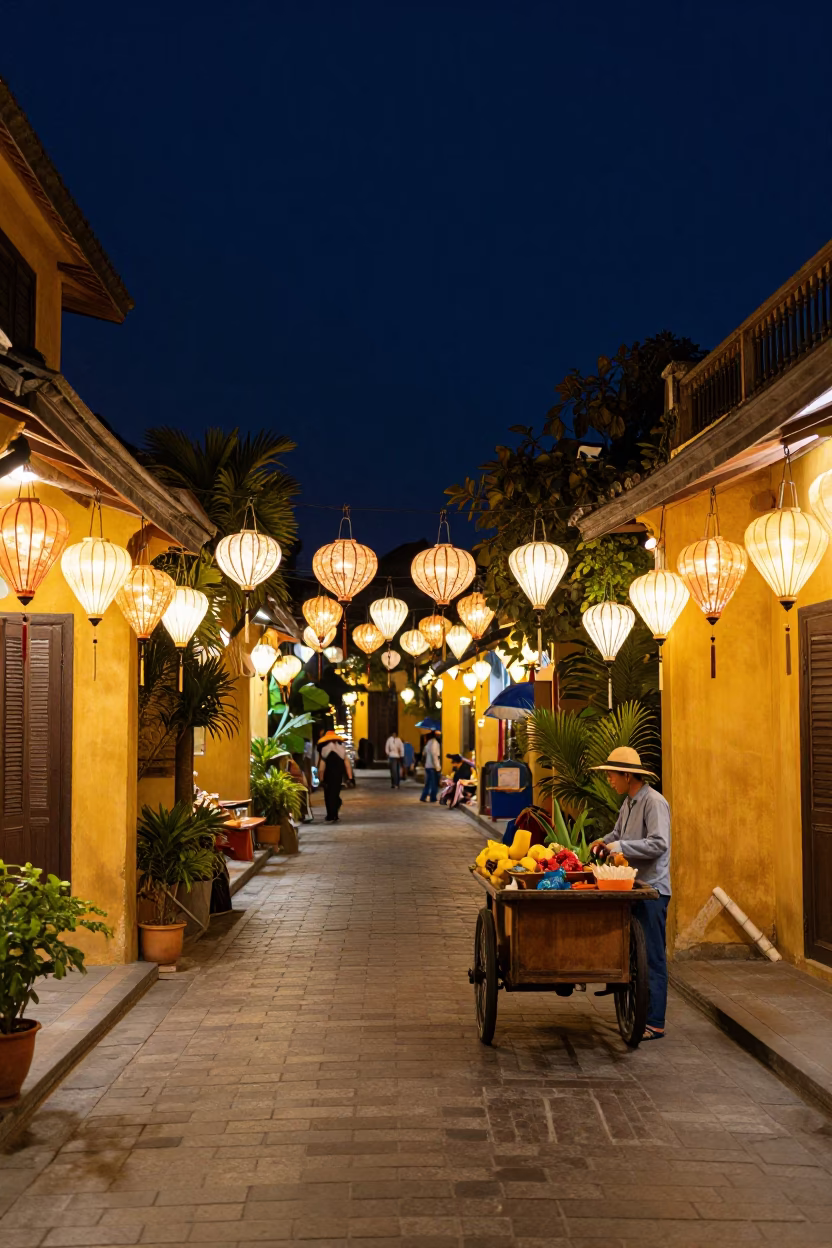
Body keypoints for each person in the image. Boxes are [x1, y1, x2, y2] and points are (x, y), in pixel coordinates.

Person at [589, 746, 671, 1042]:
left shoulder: (653, 802)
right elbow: (617, 835)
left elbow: (658, 843)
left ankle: (654, 1022)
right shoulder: (629, 803)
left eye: (612, 774)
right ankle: (640, 1013)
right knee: (635, 954)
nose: (609, 780)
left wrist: (620, 847)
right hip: (631, 886)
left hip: (653, 889)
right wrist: (603, 841)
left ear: (627, 774)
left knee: (652, 957)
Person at [318, 730, 353, 823]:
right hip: (338, 775)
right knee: (335, 793)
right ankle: (335, 814)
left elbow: (322, 767)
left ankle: (330, 815)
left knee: (328, 795)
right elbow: (347, 764)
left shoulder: (324, 749)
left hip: (328, 775)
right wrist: (350, 777)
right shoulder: (342, 749)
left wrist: (321, 778)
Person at [420, 731, 441, 803]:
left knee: (428, 783)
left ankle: (423, 796)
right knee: (434, 783)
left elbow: (424, 752)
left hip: (427, 765)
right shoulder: (435, 743)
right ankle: (433, 797)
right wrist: (437, 767)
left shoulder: (429, 742)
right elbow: (434, 755)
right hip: (432, 766)